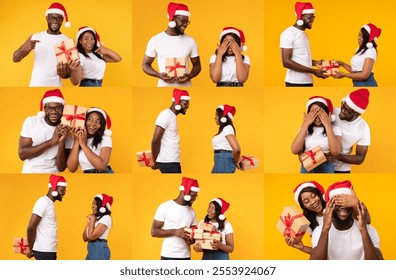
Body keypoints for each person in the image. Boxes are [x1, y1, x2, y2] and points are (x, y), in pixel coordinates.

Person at [286, 180, 371, 256]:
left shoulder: (336, 207)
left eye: (313, 196)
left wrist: (356, 202)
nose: (313, 202)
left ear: (319, 194)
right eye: (306, 201)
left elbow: (367, 221)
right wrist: (303, 248)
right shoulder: (309, 223)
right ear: (303, 206)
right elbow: (319, 252)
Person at [310, 180, 383, 260]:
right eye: (338, 201)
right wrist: (325, 229)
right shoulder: (319, 231)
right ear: (330, 206)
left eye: (346, 202)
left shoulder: (369, 230)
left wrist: (363, 230)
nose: (343, 206)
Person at [13, 2, 73, 86]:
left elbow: (71, 72)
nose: (55, 20)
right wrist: (23, 48)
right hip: (35, 85)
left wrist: (64, 74)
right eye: (52, 17)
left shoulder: (66, 41)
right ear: (47, 18)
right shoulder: (36, 37)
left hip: (56, 85)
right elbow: (15, 59)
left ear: (62, 20)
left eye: (58, 18)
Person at [142, 2, 201, 87]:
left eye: (187, 22)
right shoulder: (155, 40)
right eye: (183, 21)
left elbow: (197, 65)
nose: (185, 24)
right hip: (163, 87)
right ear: (172, 19)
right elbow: (145, 64)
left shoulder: (190, 41)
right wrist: (159, 75)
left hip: (186, 86)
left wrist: (190, 76)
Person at [18, 89, 71, 173]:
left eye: (58, 107)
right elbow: (22, 154)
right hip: (30, 173)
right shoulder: (32, 121)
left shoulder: (67, 129)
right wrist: (52, 141)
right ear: (44, 109)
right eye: (50, 108)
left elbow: (61, 168)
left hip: (52, 174)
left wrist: (61, 142)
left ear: (63, 109)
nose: (54, 111)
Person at [151, 177, 200, 260]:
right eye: (193, 195)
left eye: (196, 195)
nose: (194, 198)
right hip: (168, 256)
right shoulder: (165, 207)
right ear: (185, 192)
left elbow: (194, 235)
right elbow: (154, 232)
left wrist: (191, 240)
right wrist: (175, 231)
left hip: (186, 257)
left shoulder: (192, 212)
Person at [280, 2, 327, 86]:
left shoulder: (303, 33)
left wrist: (315, 63)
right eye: (309, 17)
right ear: (300, 17)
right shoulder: (288, 33)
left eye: (313, 17)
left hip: (308, 81)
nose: (312, 20)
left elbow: (300, 57)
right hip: (294, 82)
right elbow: (286, 62)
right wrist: (313, 71)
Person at [291, 96, 342, 173]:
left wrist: (327, 124)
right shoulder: (305, 129)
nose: (317, 117)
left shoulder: (335, 129)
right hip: (307, 164)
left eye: (320, 113)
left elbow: (335, 151)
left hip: (326, 165)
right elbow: (295, 150)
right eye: (313, 112)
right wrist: (305, 124)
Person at [26, 175, 67, 260]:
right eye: (62, 190)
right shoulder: (43, 202)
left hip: (48, 251)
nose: (64, 192)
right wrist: (31, 248)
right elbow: (30, 228)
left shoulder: (49, 203)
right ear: (54, 188)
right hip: (44, 252)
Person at [330, 88, 370, 173]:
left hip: (342, 169)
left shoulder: (363, 127)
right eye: (343, 106)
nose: (342, 111)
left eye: (347, 111)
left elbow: (360, 158)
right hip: (322, 164)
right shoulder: (332, 112)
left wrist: (337, 156)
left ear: (357, 114)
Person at [151, 88, 190, 173]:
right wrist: (154, 160)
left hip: (173, 162)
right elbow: (155, 141)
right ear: (177, 102)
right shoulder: (165, 115)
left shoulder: (172, 116)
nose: (187, 106)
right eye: (185, 103)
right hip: (168, 163)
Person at [67, 107, 114, 173]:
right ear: (84, 121)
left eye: (98, 122)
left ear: (101, 125)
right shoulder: (76, 138)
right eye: (90, 119)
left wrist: (83, 144)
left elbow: (102, 167)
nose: (93, 124)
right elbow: (72, 169)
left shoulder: (105, 138)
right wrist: (76, 141)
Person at [211, 104, 243, 173]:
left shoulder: (227, 128)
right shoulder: (224, 129)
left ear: (223, 118)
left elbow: (237, 149)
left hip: (224, 160)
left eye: (217, 115)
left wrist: (236, 162)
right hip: (220, 160)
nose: (215, 117)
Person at [82, 194, 113, 260]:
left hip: (99, 249)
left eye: (94, 204)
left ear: (102, 207)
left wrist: (92, 220)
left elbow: (91, 236)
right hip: (91, 249)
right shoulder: (95, 218)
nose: (92, 206)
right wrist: (89, 222)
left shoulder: (106, 218)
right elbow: (85, 238)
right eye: (92, 203)